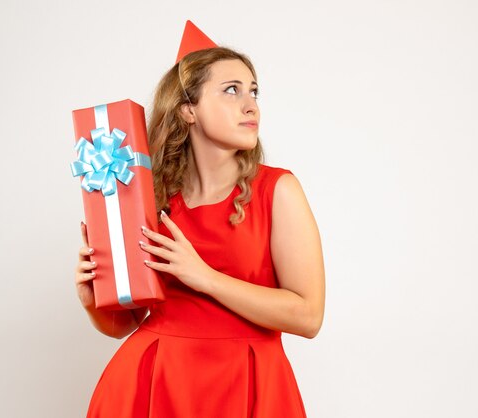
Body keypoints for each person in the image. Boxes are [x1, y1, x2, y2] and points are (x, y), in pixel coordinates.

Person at [74, 28, 325, 417]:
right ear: (188, 109)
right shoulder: (151, 196)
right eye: (231, 90)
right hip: (153, 382)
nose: (250, 105)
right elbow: (125, 324)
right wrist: (95, 302)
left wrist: (203, 276)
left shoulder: (278, 189)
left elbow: (308, 316)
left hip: (247, 384)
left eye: (253, 91)